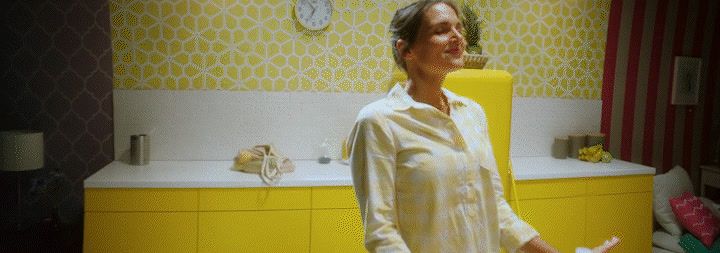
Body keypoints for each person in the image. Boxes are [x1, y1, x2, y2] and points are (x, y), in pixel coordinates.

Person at [347, 1, 620, 252]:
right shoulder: (379, 122)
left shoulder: (472, 113)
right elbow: (381, 233)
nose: (457, 37)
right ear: (406, 50)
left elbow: (495, 210)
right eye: (442, 30)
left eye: (458, 28)